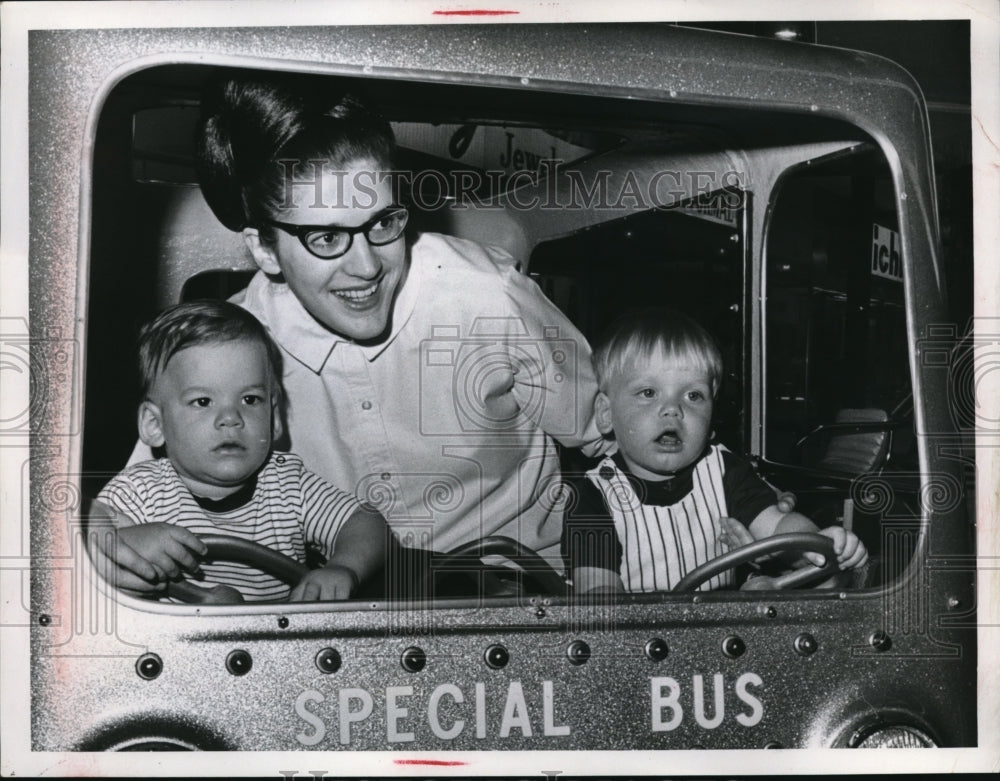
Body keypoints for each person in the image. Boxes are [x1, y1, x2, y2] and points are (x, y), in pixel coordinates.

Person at [108, 72, 607, 594]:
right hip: (343, 623)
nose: (367, 266)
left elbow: (614, 449)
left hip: (527, 599)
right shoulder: (224, 351)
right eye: (326, 237)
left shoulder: (487, 294)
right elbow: (123, 510)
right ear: (263, 249)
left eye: (382, 222)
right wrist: (117, 547)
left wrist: (602, 580)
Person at [93, 300, 388, 603]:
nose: (231, 418)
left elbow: (366, 522)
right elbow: (78, 528)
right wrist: (122, 543)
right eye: (203, 402)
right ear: (155, 424)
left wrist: (344, 567)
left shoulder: (287, 485)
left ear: (274, 419)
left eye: (250, 399)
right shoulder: (140, 492)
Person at [561, 308, 868, 594]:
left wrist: (816, 542)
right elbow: (599, 595)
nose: (672, 409)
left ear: (711, 420)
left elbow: (776, 524)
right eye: (648, 392)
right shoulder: (591, 497)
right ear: (605, 413)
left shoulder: (724, 472)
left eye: (694, 395)